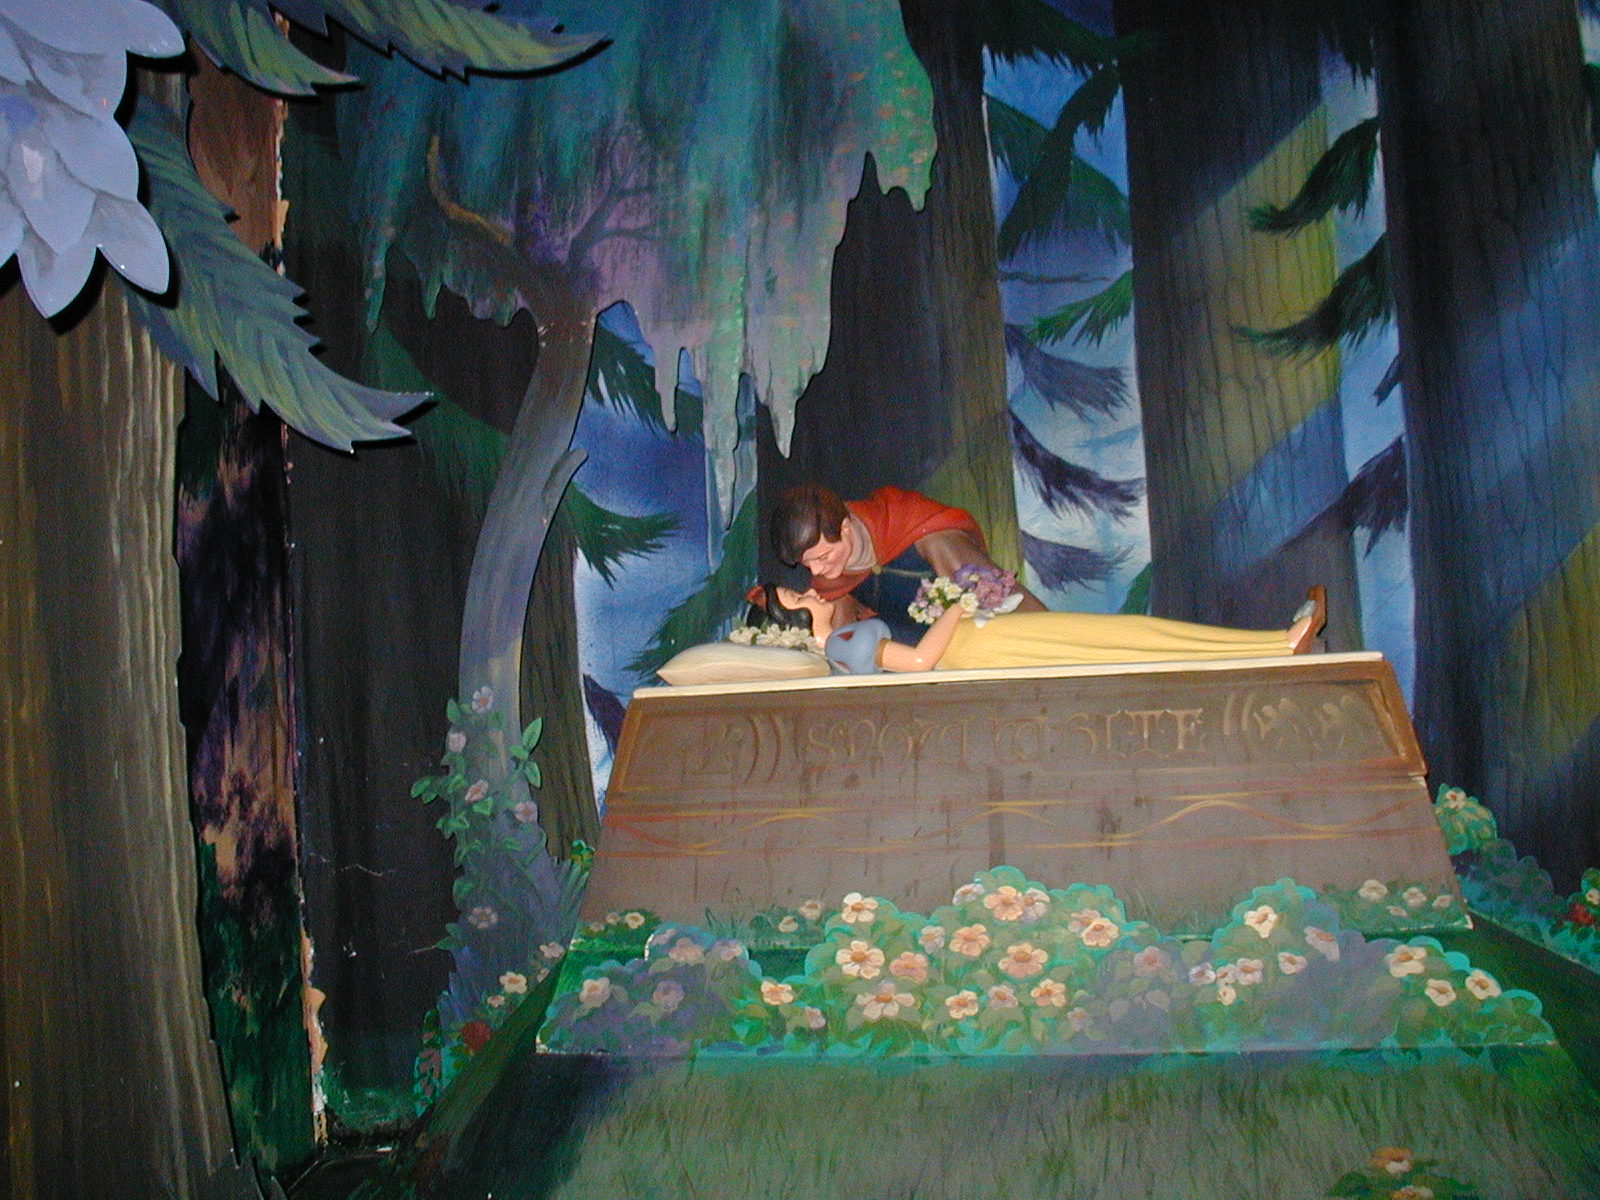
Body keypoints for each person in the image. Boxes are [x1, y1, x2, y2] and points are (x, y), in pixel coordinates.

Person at [748, 582, 1327, 675]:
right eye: (799, 598)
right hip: (979, 649)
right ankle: (1276, 646)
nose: (812, 593)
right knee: (1126, 642)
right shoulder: (844, 644)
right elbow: (920, 662)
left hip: (983, 642)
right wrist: (955, 607)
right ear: (793, 622)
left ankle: (1272, 644)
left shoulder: (843, 643)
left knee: (1125, 640)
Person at [770, 483, 1044, 639]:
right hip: (914, 649)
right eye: (808, 564)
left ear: (845, 529)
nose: (817, 570)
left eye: (823, 557)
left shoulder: (914, 524)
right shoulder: (831, 585)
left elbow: (992, 589)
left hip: (980, 633)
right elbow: (842, 645)